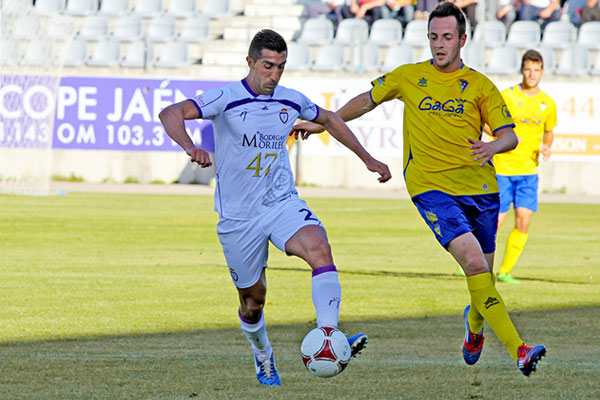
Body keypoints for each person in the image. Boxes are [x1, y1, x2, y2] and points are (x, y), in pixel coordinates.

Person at [291, 2, 547, 376]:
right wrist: (323, 122)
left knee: (483, 280)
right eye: (433, 37)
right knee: (474, 265)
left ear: (463, 39)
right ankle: (519, 351)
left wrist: (493, 145)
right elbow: (366, 101)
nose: (439, 44)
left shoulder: (480, 86)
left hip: (481, 190)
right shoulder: (409, 76)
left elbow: (509, 135)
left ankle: (474, 328)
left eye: (447, 37)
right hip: (431, 189)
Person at [158, 29, 391, 386]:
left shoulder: (290, 100)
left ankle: (328, 333)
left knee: (319, 247)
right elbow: (170, 112)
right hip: (239, 218)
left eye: (281, 67)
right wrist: (191, 147)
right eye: (267, 66)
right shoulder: (226, 97)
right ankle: (262, 354)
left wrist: (368, 159)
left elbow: (328, 119)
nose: (274, 75)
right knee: (253, 302)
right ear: (250, 62)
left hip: (280, 203)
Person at [492, 50, 556, 285]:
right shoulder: (507, 96)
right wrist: (502, 140)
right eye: (528, 69)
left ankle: (505, 271)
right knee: (495, 222)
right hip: (502, 168)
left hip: (528, 172)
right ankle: (472, 262)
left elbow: (549, 132)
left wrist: (546, 147)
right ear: (522, 70)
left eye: (536, 70)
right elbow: (488, 124)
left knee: (523, 221)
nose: (531, 74)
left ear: (542, 72)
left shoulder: (547, 103)